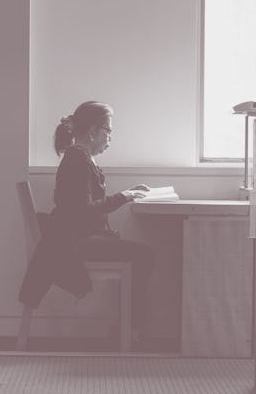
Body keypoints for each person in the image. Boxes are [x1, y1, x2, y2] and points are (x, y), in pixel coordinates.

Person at [18, 101, 154, 347]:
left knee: (142, 253)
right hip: (75, 242)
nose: (110, 137)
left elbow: (84, 206)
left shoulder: (80, 158)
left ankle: (128, 328)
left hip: (77, 236)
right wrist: (124, 197)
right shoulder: (77, 161)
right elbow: (81, 210)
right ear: (93, 132)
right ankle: (130, 332)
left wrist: (127, 193)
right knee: (145, 254)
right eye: (108, 130)